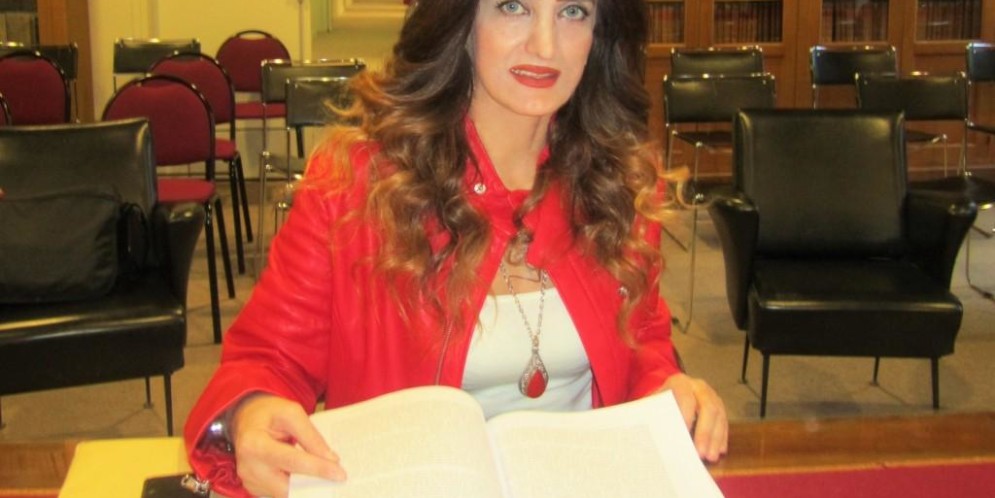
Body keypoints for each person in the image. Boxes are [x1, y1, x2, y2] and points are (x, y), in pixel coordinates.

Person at [184, 0, 728, 496]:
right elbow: (267, 361)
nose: (545, 45)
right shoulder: (356, 184)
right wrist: (250, 412)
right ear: (461, 20)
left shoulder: (620, 183)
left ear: (599, 32)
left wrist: (669, 388)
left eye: (573, 12)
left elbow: (644, 345)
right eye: (513, 7)